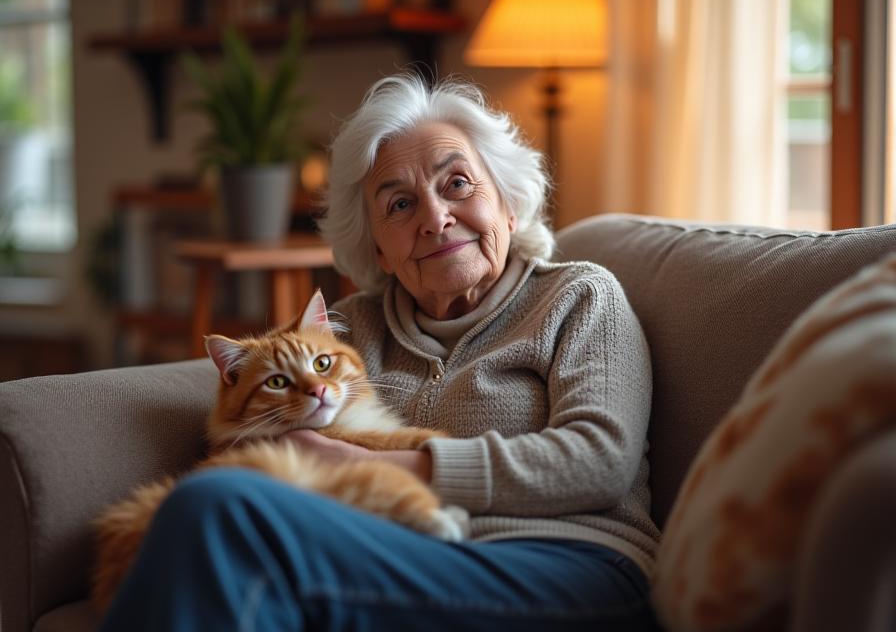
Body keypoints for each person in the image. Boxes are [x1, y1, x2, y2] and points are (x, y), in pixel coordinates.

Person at [99, 73, 660, 631]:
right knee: (209, 521)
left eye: (458, 183)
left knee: (213, 512)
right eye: (399, 205)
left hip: (570, 563)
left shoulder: (579, 296)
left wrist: (369, 464)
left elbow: (601, 460)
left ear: (509, 206)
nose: (436, 218)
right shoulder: (355, 325)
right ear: (378, 250)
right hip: (401, 552)